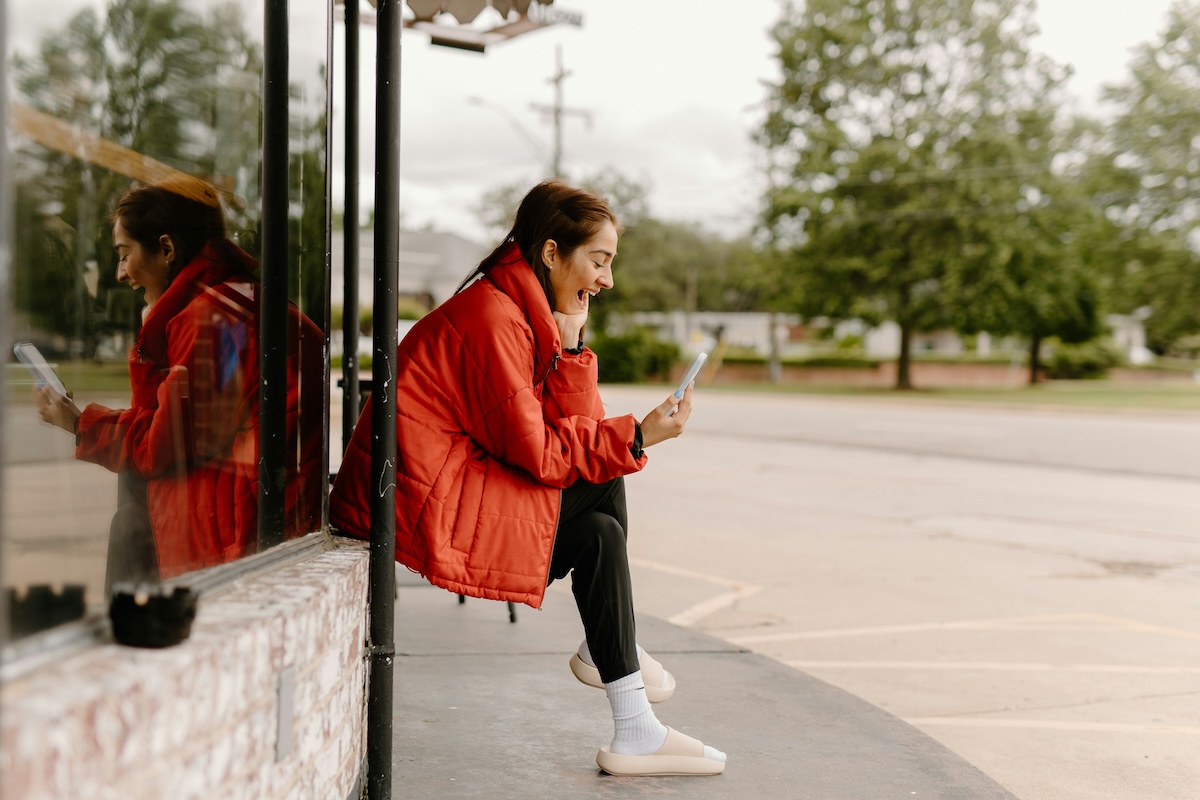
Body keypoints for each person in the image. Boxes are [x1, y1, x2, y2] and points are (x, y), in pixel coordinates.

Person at [329, 179, 726, 776]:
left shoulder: (518, 310)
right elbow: (541, 451)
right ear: (549, 252)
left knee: (599, 529)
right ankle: (625, 701)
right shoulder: (492, 317)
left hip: (449, 482)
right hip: (422, 500)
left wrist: (570, 348)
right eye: (598, 260)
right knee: (607, 473)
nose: (606, 279)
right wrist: (639, 435)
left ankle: (631, 716)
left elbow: (574, 433)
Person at [34, 177, 325, 592]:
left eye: (124, 254)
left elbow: (165, 448)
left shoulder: (212, 319)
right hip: (269, 508)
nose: (120, 273)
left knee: (130, 521)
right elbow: (179, 423)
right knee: (131, 496)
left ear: (167, 249)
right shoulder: (239, 300)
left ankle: (134, 642)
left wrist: (79, 423)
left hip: (244, 530)